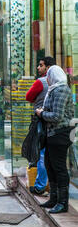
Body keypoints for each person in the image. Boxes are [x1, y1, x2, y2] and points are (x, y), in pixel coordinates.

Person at [36, 65, 75, 214]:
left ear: (54, 76)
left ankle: (63, 202)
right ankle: (54, 198)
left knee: (59, 167)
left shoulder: (61, 90)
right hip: (51, 134)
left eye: (48, 75)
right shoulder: (53, 90)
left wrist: (41, 114)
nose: (47, 78)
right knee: (49, 165)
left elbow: (57, 116)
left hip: (60, 134)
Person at [26, 56, 56, 195]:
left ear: (48, 68)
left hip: (42, 120)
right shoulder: (61, 83)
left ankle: (40, 185)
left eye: (41, 65)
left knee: (41, 153)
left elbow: (28, 97)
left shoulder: (40, 82)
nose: (38, 68)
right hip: (56, 122)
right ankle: (52, 186)